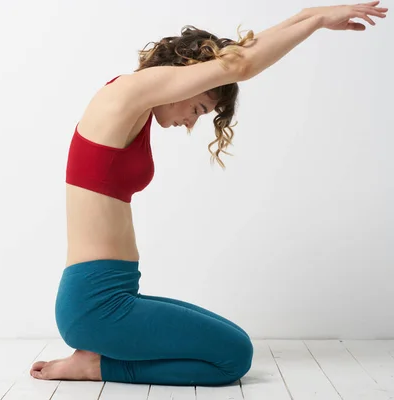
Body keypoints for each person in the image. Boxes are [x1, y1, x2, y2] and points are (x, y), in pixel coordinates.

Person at [30, 2, 387, 387]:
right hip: (96, 305)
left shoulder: (134, 108)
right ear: (186, 77)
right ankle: (96, 366)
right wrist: (315, 22)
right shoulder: (126, 94)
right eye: (199, 107)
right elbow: (238, 65)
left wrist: (308, 15)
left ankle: (97, 353)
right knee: (234, 356)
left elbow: (235, 57)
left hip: (113, 293)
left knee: (228, 335)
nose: (190, 121)